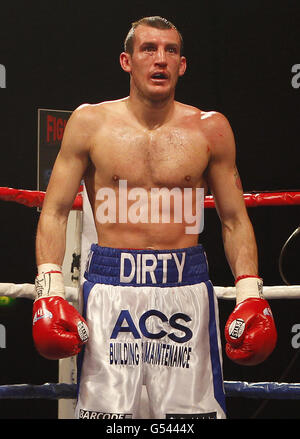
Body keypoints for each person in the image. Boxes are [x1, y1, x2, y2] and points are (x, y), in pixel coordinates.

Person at [32, 16, 277, 419]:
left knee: (190, 419)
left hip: (184, 286)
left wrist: (250, 293)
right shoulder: (90, 123)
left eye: (171, 50)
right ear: (127, 61)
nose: (159, 59)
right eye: (149, 49)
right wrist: (49, 290)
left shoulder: (210, 129)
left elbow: (234, 219)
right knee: (107, 419)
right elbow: (55, 210)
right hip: (111, 287)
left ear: (182, 65)